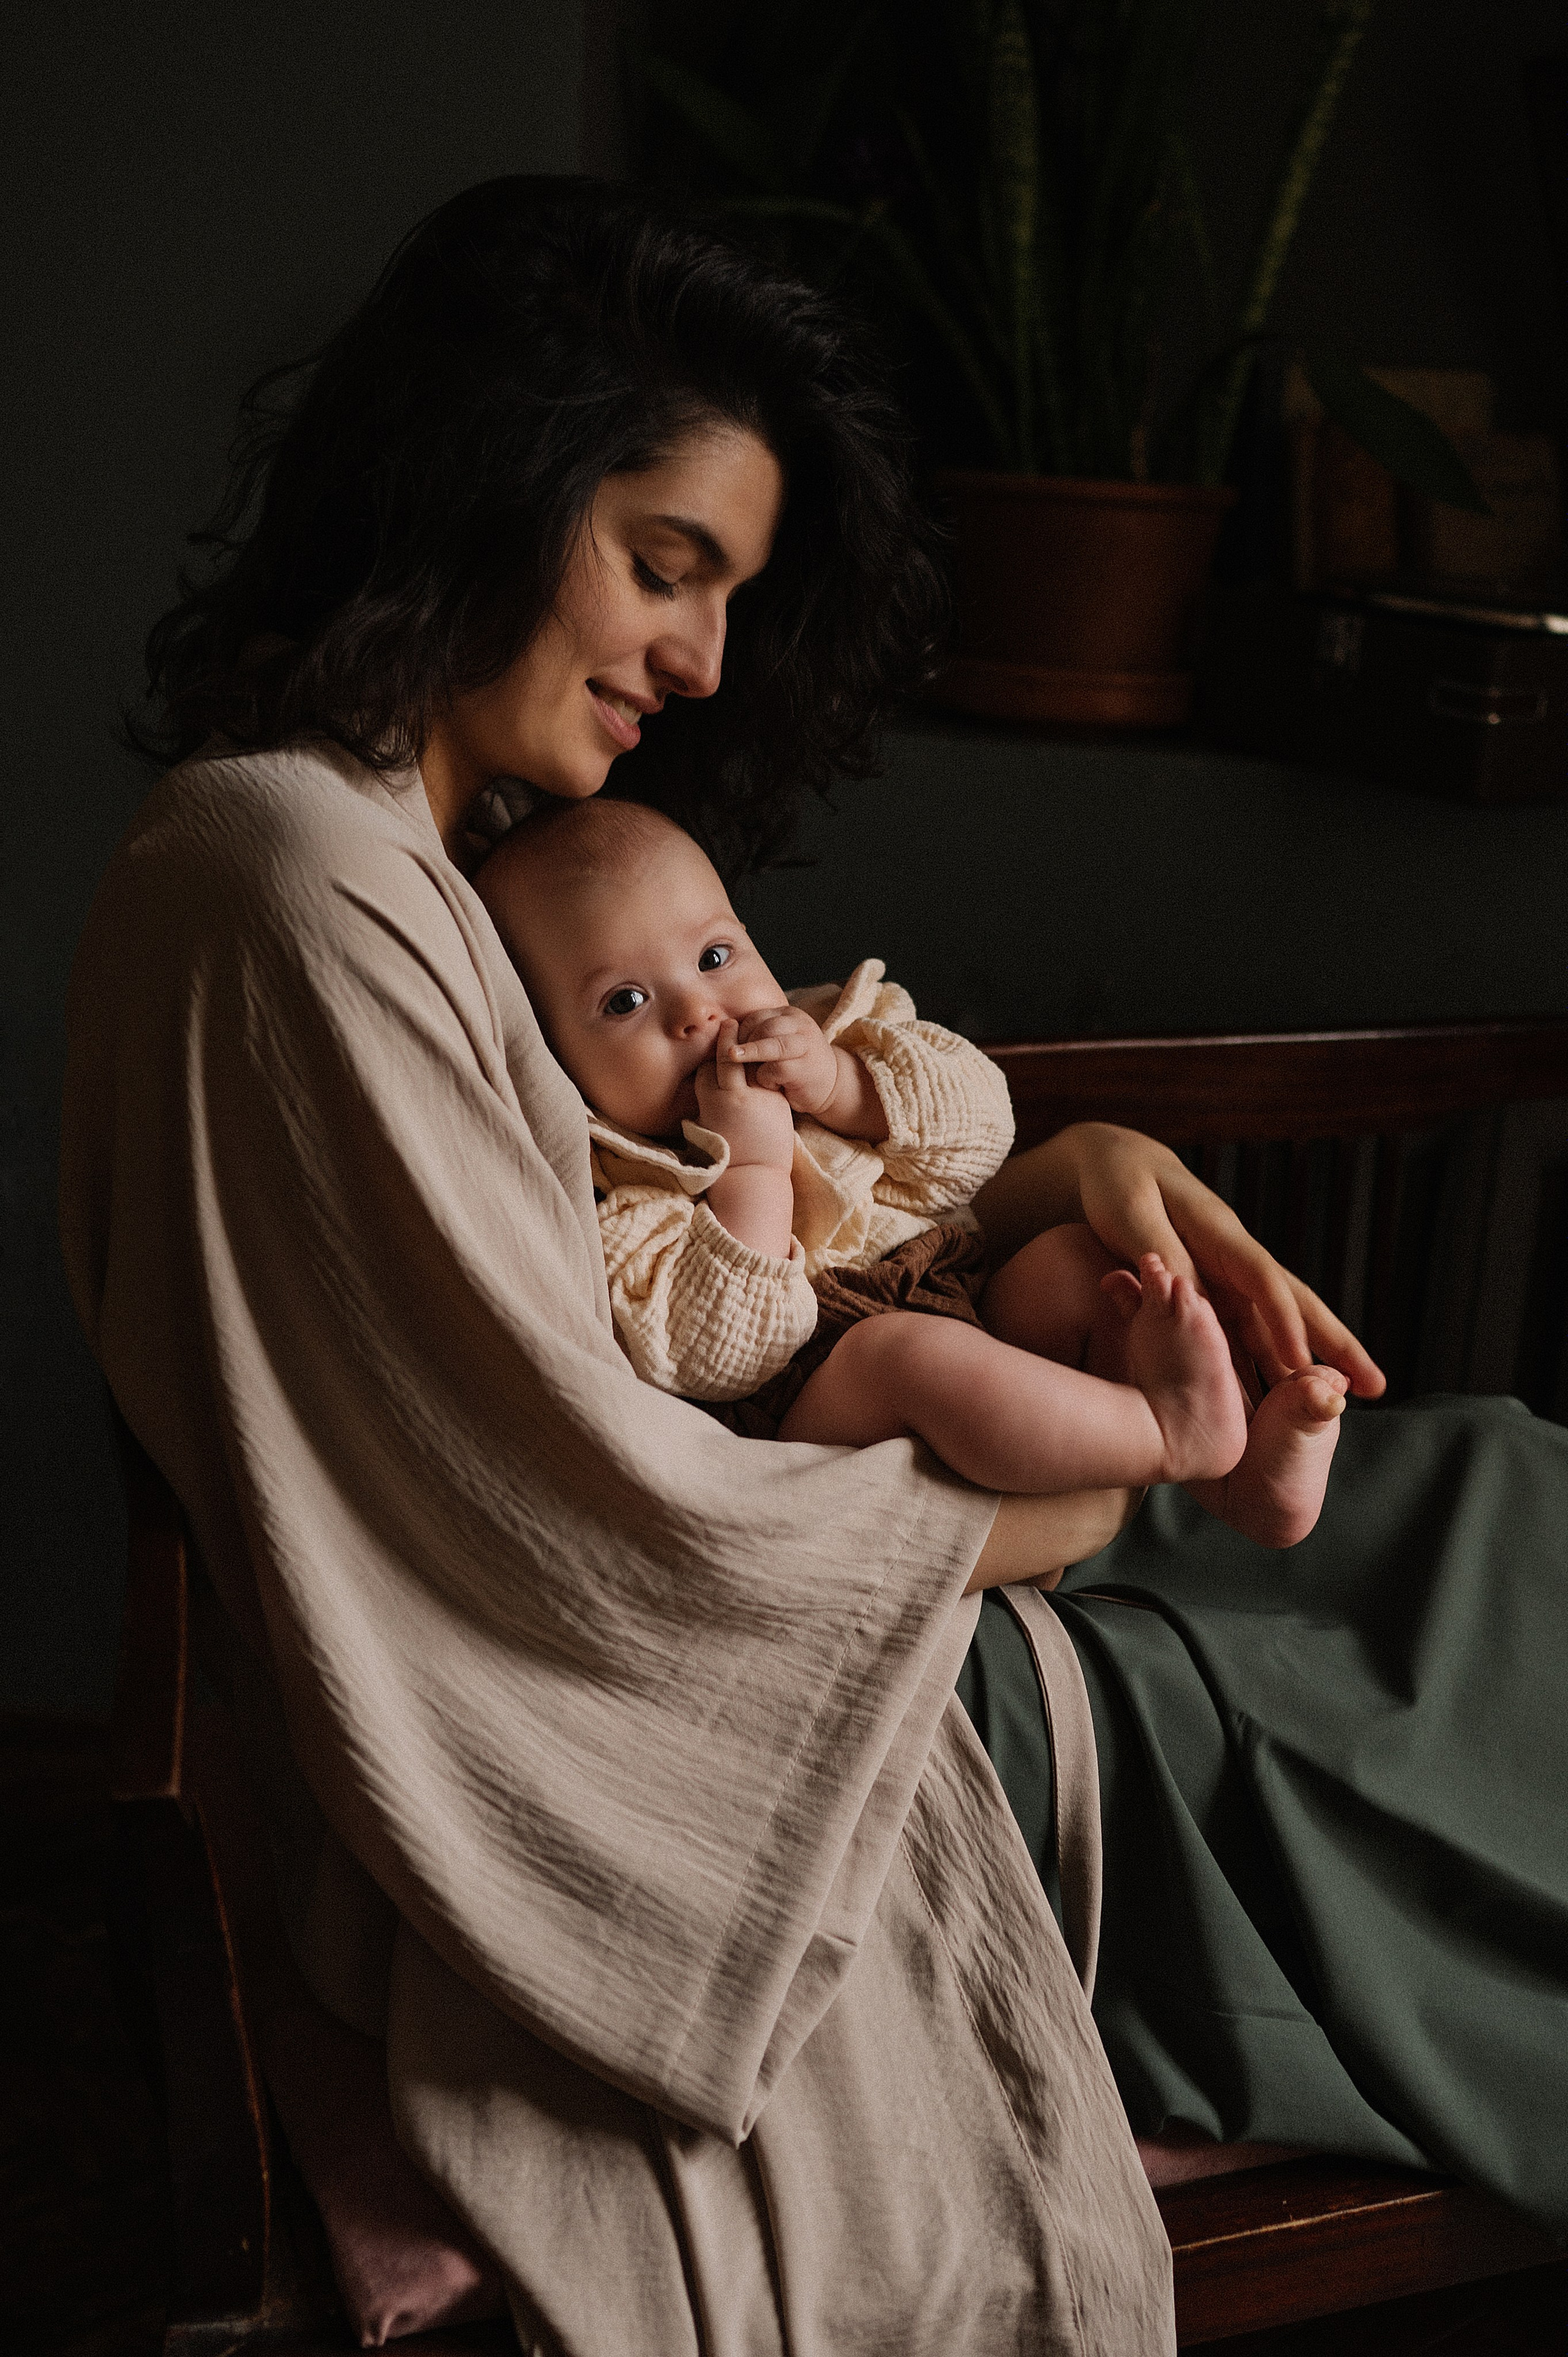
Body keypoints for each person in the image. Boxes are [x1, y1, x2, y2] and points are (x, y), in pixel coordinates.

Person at [59, 178, 1568, 2357]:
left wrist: (1073, 1165)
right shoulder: (295, 880)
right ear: (486, 479)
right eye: (663, 566)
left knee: (1496, 1487)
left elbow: (730, 1231)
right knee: (1451, 1644)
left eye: (730, 596)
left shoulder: (430, 858)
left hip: (858, 1577)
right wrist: (1094, 1490)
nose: (699, 659)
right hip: (771, 1716)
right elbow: (569, 1515)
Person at [476, 797, 1349, 1545]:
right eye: (624, 1002)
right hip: (812, 1417)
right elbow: (719, 1357)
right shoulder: (623, 1195)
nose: (701, 1011)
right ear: (550, 1056)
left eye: (714, 957)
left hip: (962, 1306)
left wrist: (849, 1088)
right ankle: (1166, 1434)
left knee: (1075, 1270)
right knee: (901, 1356)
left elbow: (980, 1138)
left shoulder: (835, 1036)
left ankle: (1233, 1488)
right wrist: (752, 1166)